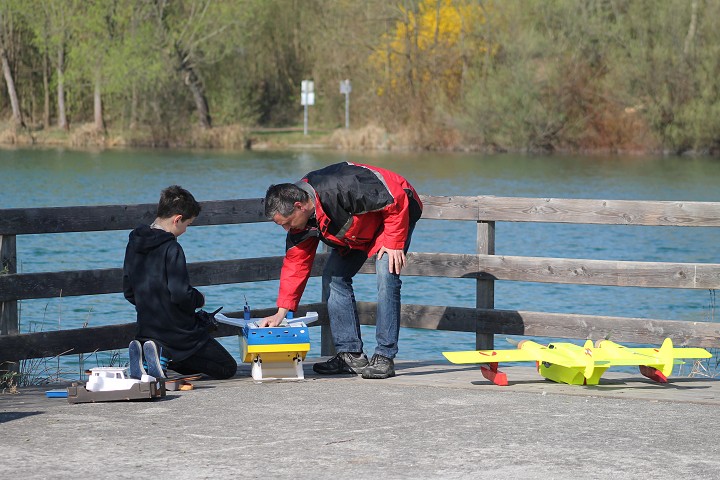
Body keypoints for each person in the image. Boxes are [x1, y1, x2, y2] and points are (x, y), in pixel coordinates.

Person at [260, 162, 422, 379]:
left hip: (395, 215)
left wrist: (394, 242)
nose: (287, 230)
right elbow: (295, 265)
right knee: (333, 277)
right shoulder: (301, 222)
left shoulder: (343, 186)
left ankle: (385, 356)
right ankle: (351, 356)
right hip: (357, 231)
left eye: (287, 223)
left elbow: (396, 198)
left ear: (299, 206)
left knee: (386, 275)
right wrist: (282, 312)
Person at [123, 185, 237, 380]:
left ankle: (153, 359)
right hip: (178, 333)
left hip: (146, 329)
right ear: (177, 219)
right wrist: (199, 299)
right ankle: (165, 357)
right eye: (188, 224)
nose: (186, 229)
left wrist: (151, 307)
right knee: (227, 368)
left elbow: (128, 291)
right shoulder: (171, 248)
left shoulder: (134, 243)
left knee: (192, 361)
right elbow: (180, 294)